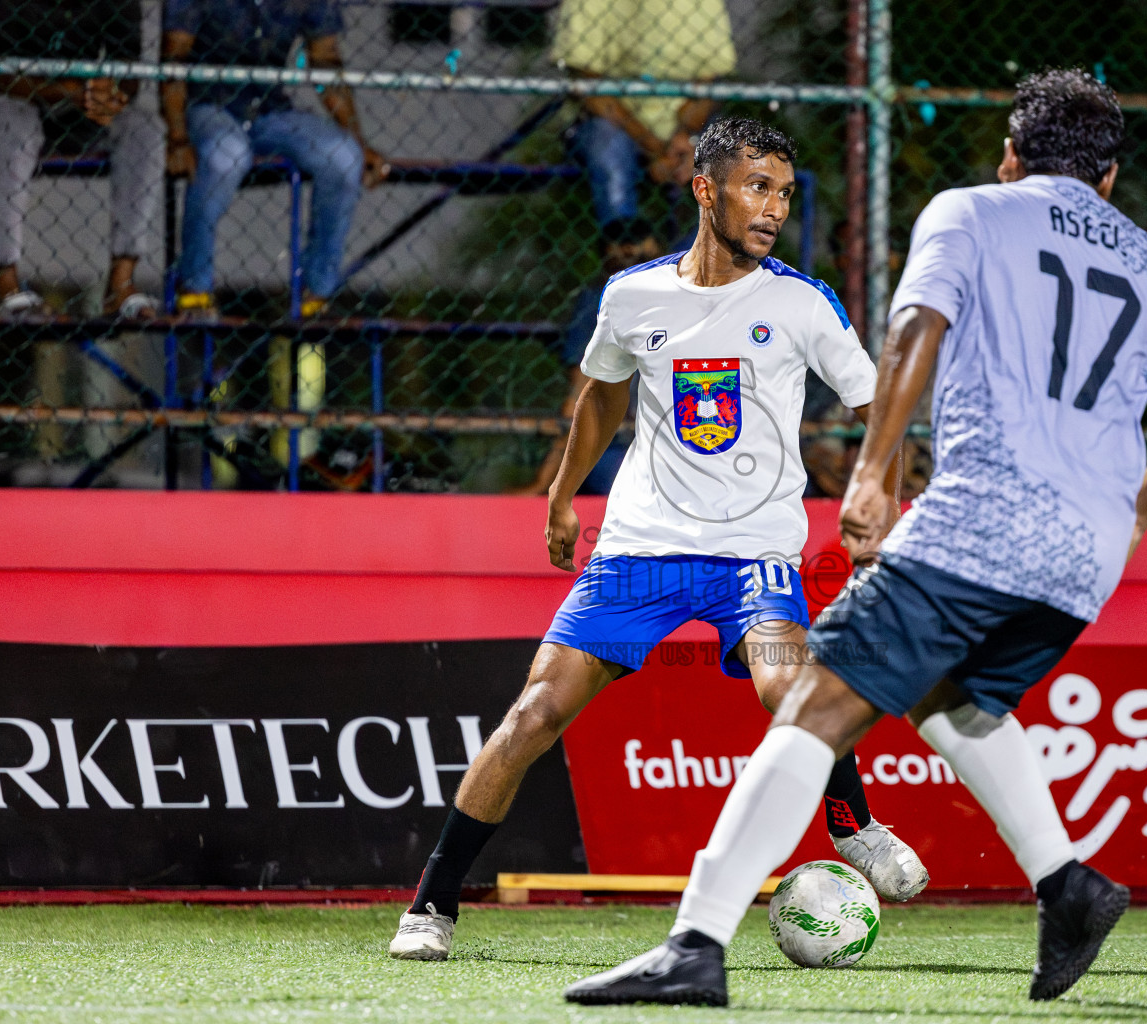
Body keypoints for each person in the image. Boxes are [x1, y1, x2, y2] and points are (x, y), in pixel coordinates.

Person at [565, 69, 1147, 1007]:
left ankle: (696, 942)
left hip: (979, 521)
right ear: (1111, 178)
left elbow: (917, 326)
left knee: (810, 702)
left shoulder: (973, 211)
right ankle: (1067, 883)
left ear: (1011, 155)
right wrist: (1134, 513)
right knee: (952, 698)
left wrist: (877, 472)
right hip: (1084, 555)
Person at [387, 117, 930, 962]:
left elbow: (880, 411)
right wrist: (563, 497)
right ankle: (431, 905)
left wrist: (881, 502)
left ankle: (854, 825)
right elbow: (602, 399)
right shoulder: (634, 296)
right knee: (533, 713)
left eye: (783, 193)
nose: (774, 208)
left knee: (783, 689)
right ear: (706, 189)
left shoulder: (799, 301)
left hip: (754, 554)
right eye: (757, 187)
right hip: (637, 551)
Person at [161, 0, 387, 319]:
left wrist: (358, 141)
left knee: (343, 157)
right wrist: (178, 136)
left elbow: (325, 59)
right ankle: (194, 287)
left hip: (269, 109)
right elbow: (174, 57)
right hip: (209, 104)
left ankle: (316, 294)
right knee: (227, 154)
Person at [0, 0, 164, 317]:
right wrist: (72, 90)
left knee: (145, 129)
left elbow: (129, 68)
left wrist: (108, 96)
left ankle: (121, 285)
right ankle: (6, 286)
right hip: (1, 101)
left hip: (75, 105)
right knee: (15, 124)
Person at [512, 216, 663, 497]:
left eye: (636, 243)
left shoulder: (680, 296)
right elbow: (580, 392)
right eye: (621, 246)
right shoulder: (598, 301)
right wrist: (546, 481)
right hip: (617, 441)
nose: (629, 251)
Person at [552, 0, 734, 228]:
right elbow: (590, 88)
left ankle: (697, 261)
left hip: (689, 126)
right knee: (608, 147)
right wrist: (656, 148)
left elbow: (709, 81)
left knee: (728, 159)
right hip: (613, 123)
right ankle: (627, 248)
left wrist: (686, 135)